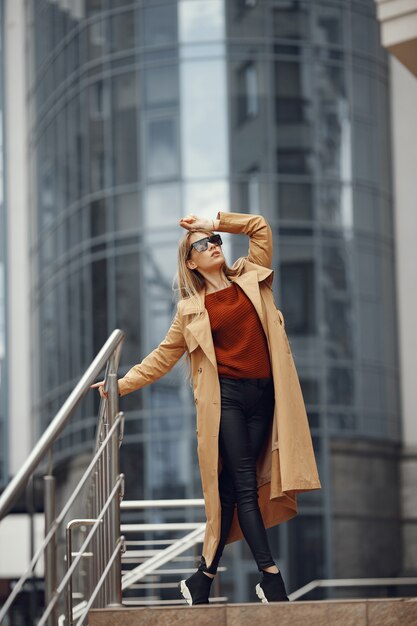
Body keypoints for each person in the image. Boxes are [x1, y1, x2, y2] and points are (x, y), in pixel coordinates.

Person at [91, 212, 321, 605]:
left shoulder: (253, 277)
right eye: (202, 244)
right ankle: (271, 577)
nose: (213, 244)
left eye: (214, 240)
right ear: (190, 262)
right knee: (245, 483)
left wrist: (213, 219)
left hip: (265, 397)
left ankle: (202, 578)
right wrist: (120, 385)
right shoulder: (190, 310)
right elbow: (162, 358)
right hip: (226, 400)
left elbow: (259, 227)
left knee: (233, 487)